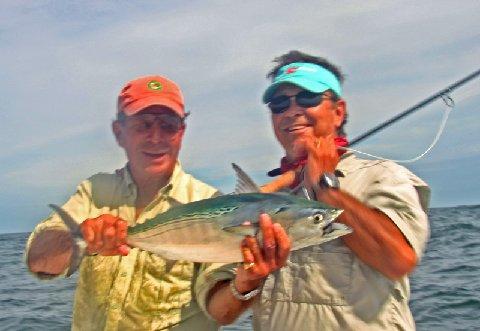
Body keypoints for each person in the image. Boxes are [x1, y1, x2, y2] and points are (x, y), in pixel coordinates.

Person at [206, 51, 430, 330]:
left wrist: (325, 186)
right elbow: (219, 313)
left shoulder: (381, 177)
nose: (292, 111)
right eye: (279, 104)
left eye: (308, 97)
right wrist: (247, 282)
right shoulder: (263, 202)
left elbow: (397, 260)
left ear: (338, 112)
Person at [26, 75, 229, 330]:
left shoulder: (208, 202)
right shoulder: (95, 191)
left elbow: (222, 311)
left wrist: (246, 283)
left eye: (168, 125)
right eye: (143, 125)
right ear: (119, 132)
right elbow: (39, 261)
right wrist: (79, 238)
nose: (156, 137)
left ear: (182, 132)